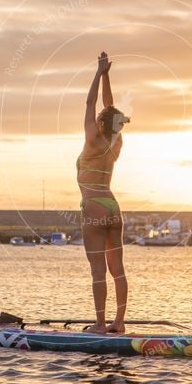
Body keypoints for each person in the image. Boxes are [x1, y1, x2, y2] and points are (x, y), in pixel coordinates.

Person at [76, 52, 130, 334]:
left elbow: (91, 103)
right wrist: (107, 74)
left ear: (100, 123)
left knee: (98, 271)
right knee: (117, 269)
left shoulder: (93, 139)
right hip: (113, 206)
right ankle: (118, 323)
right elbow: (109, 108)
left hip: (94, 205)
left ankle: (99, 324)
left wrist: (97, 73)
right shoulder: (115, 140)